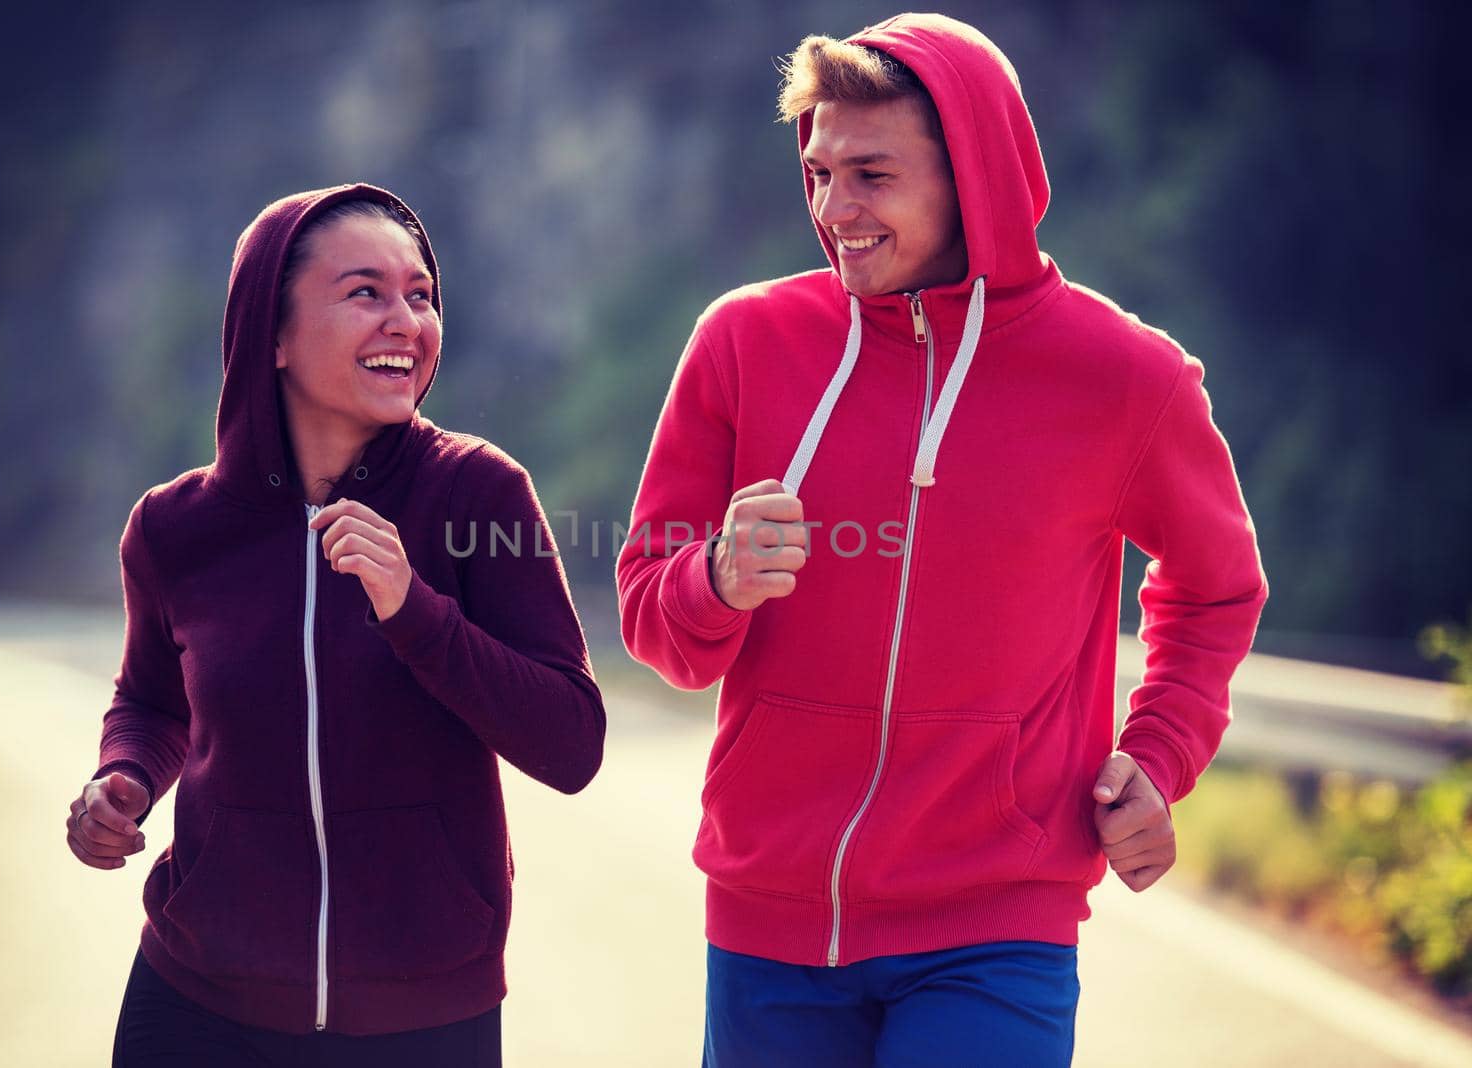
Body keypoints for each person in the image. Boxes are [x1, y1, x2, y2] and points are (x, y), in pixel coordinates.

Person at [616, 14, 1268, 1067]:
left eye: (871, 173)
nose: (834, 210)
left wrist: (1158, 753)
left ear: (972, 174)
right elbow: (657, 619)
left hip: (995, 922)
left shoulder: (1121, 379)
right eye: (819, 172)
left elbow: (1217, 585)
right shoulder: (744, 342)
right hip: (770, 921)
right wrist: (714, 580)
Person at [66, 183, 606, 1067]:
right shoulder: (175, 527)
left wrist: (415, 611)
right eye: (365, 293)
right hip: (197, 998)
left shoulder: (478, 494)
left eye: (420, 295)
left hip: (424, 1014)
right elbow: (155, 701)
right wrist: (122, 777)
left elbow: (572, 742)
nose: (406, 321)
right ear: (269, 337)